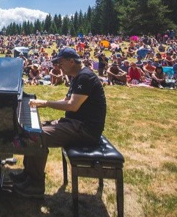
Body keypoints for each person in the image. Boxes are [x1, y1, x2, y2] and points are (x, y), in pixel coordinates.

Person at [11, 47, 106, 199]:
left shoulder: (85, 77)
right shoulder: (78, 76)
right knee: (33, 129)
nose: (58, 66)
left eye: (60, 63)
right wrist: (42, 103)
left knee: (37, 136)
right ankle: (28, 175)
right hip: (75, 123)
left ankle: (36, 185)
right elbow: (67, 100)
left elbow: (72, 106)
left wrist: (46, 103)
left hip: (85, 129)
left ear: (71, 61)